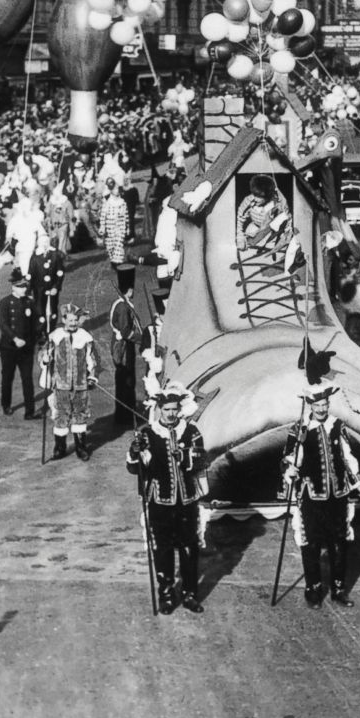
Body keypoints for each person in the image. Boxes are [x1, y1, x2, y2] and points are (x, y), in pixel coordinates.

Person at [282, 382, 360, 607]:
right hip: (312, 496)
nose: (322, 409)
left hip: (338, 494)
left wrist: (357, 483)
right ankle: (313, 589)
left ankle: (339, 589)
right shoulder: (300, 429)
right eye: (317, 405)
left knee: (338, 542)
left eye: (325, 404)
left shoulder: (337, 425)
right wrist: (289, 468)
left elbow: (346, 456)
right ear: (310, 405)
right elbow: (290, 458)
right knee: (311, 543)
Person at [126, 382, 209, 614]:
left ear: (179, 408)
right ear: (159, 410)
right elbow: (134, 469)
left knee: (189, 548)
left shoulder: (192, 432)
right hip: (159, 501)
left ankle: (190, 594)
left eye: (174, 409)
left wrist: (182, 455)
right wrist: (135, 451)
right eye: (167, 409)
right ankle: (167, 595)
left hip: (187, 501)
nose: (171, 414)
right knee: (162, 549)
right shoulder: (147, 433)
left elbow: (201, 459)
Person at [41, 302, 97, 459]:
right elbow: (45, 354)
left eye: (75, 320)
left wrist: (92, 376)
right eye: (70, 320)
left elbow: (91, 359)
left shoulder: (85, 337)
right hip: (61, 384)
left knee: (80, 415)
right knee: (61, 415)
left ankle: (81, 447)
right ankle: (60, 446)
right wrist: (45, 359)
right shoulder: (55, 336)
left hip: (80, 384)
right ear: (64, 319)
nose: (73, 323)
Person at [0, 271, 38, 418]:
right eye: (20, 287)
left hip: (26, 348)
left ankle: (30, 411)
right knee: (7, 377)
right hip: (9, 348)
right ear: (13, 287)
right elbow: (3, 324)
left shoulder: (29, 302)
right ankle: (6, 404)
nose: (24, 289)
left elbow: (34, 324)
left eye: (24, 286)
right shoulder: (5, 303)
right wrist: (14, 339)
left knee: (27, 379)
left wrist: (37, 340)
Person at [108, 263, 143, 430]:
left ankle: (126, 413)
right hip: (123, 346)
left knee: (126, 379)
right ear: (129, 289)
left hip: (124, 344)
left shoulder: (123, 302)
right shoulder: (122, 306)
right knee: (125, 379)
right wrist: (142, 339)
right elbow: (126, 330)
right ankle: (124, 415)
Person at [28, 229, 65, 335]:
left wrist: (56, 287)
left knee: (53, 308)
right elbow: (30, 274)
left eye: (46, 242)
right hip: (39, 288)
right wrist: (28, 291)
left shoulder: (55, 255)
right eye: (42, 242)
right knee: (39, 309)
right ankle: (41, 332)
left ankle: (52, 329)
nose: (44, 244)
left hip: (52, 287)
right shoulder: (35, 257)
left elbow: (60, 272)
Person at [99, 176, 130, 266]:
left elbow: (126, 215)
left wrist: (127, 227)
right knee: (110, 246)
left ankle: (118, 263)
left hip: (120, 226)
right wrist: (102, 226)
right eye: (115, 189)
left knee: (119, 244)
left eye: (118, 189)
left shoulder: (123, 202)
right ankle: (113, 261)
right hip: (110, 227)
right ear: (111, 191)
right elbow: (103, 216)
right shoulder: (107, 203)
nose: (117, 190)